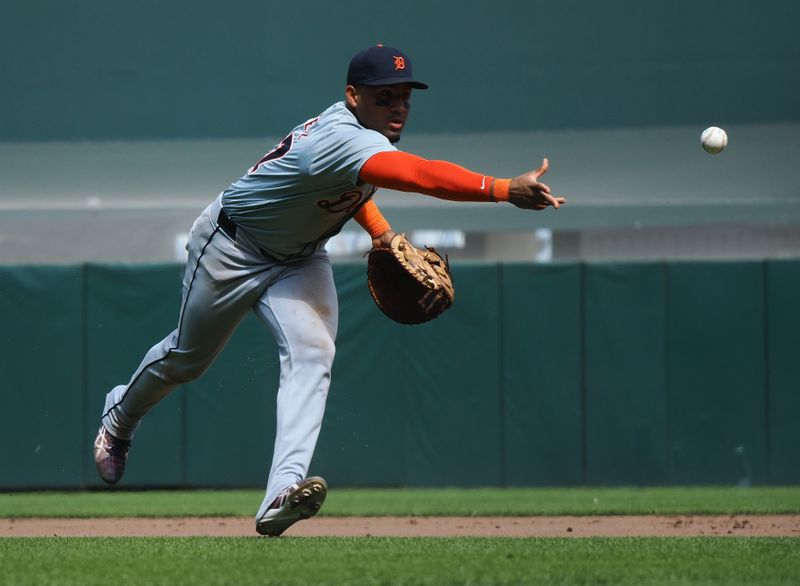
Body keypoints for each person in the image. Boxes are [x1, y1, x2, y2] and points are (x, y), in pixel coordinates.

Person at [93, 44, 566, 537]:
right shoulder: (342, 138)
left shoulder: (366, 134)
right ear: (353, 95)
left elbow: (349, 190)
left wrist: (380, 231)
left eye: (405, 95)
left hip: (300, 257)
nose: (398, 106)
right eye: (386, 96)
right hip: (231, 248)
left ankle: (282, 491)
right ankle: (120, 416)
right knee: (188, 360)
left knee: (314, 353)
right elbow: (418, 176)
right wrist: (502, 188)